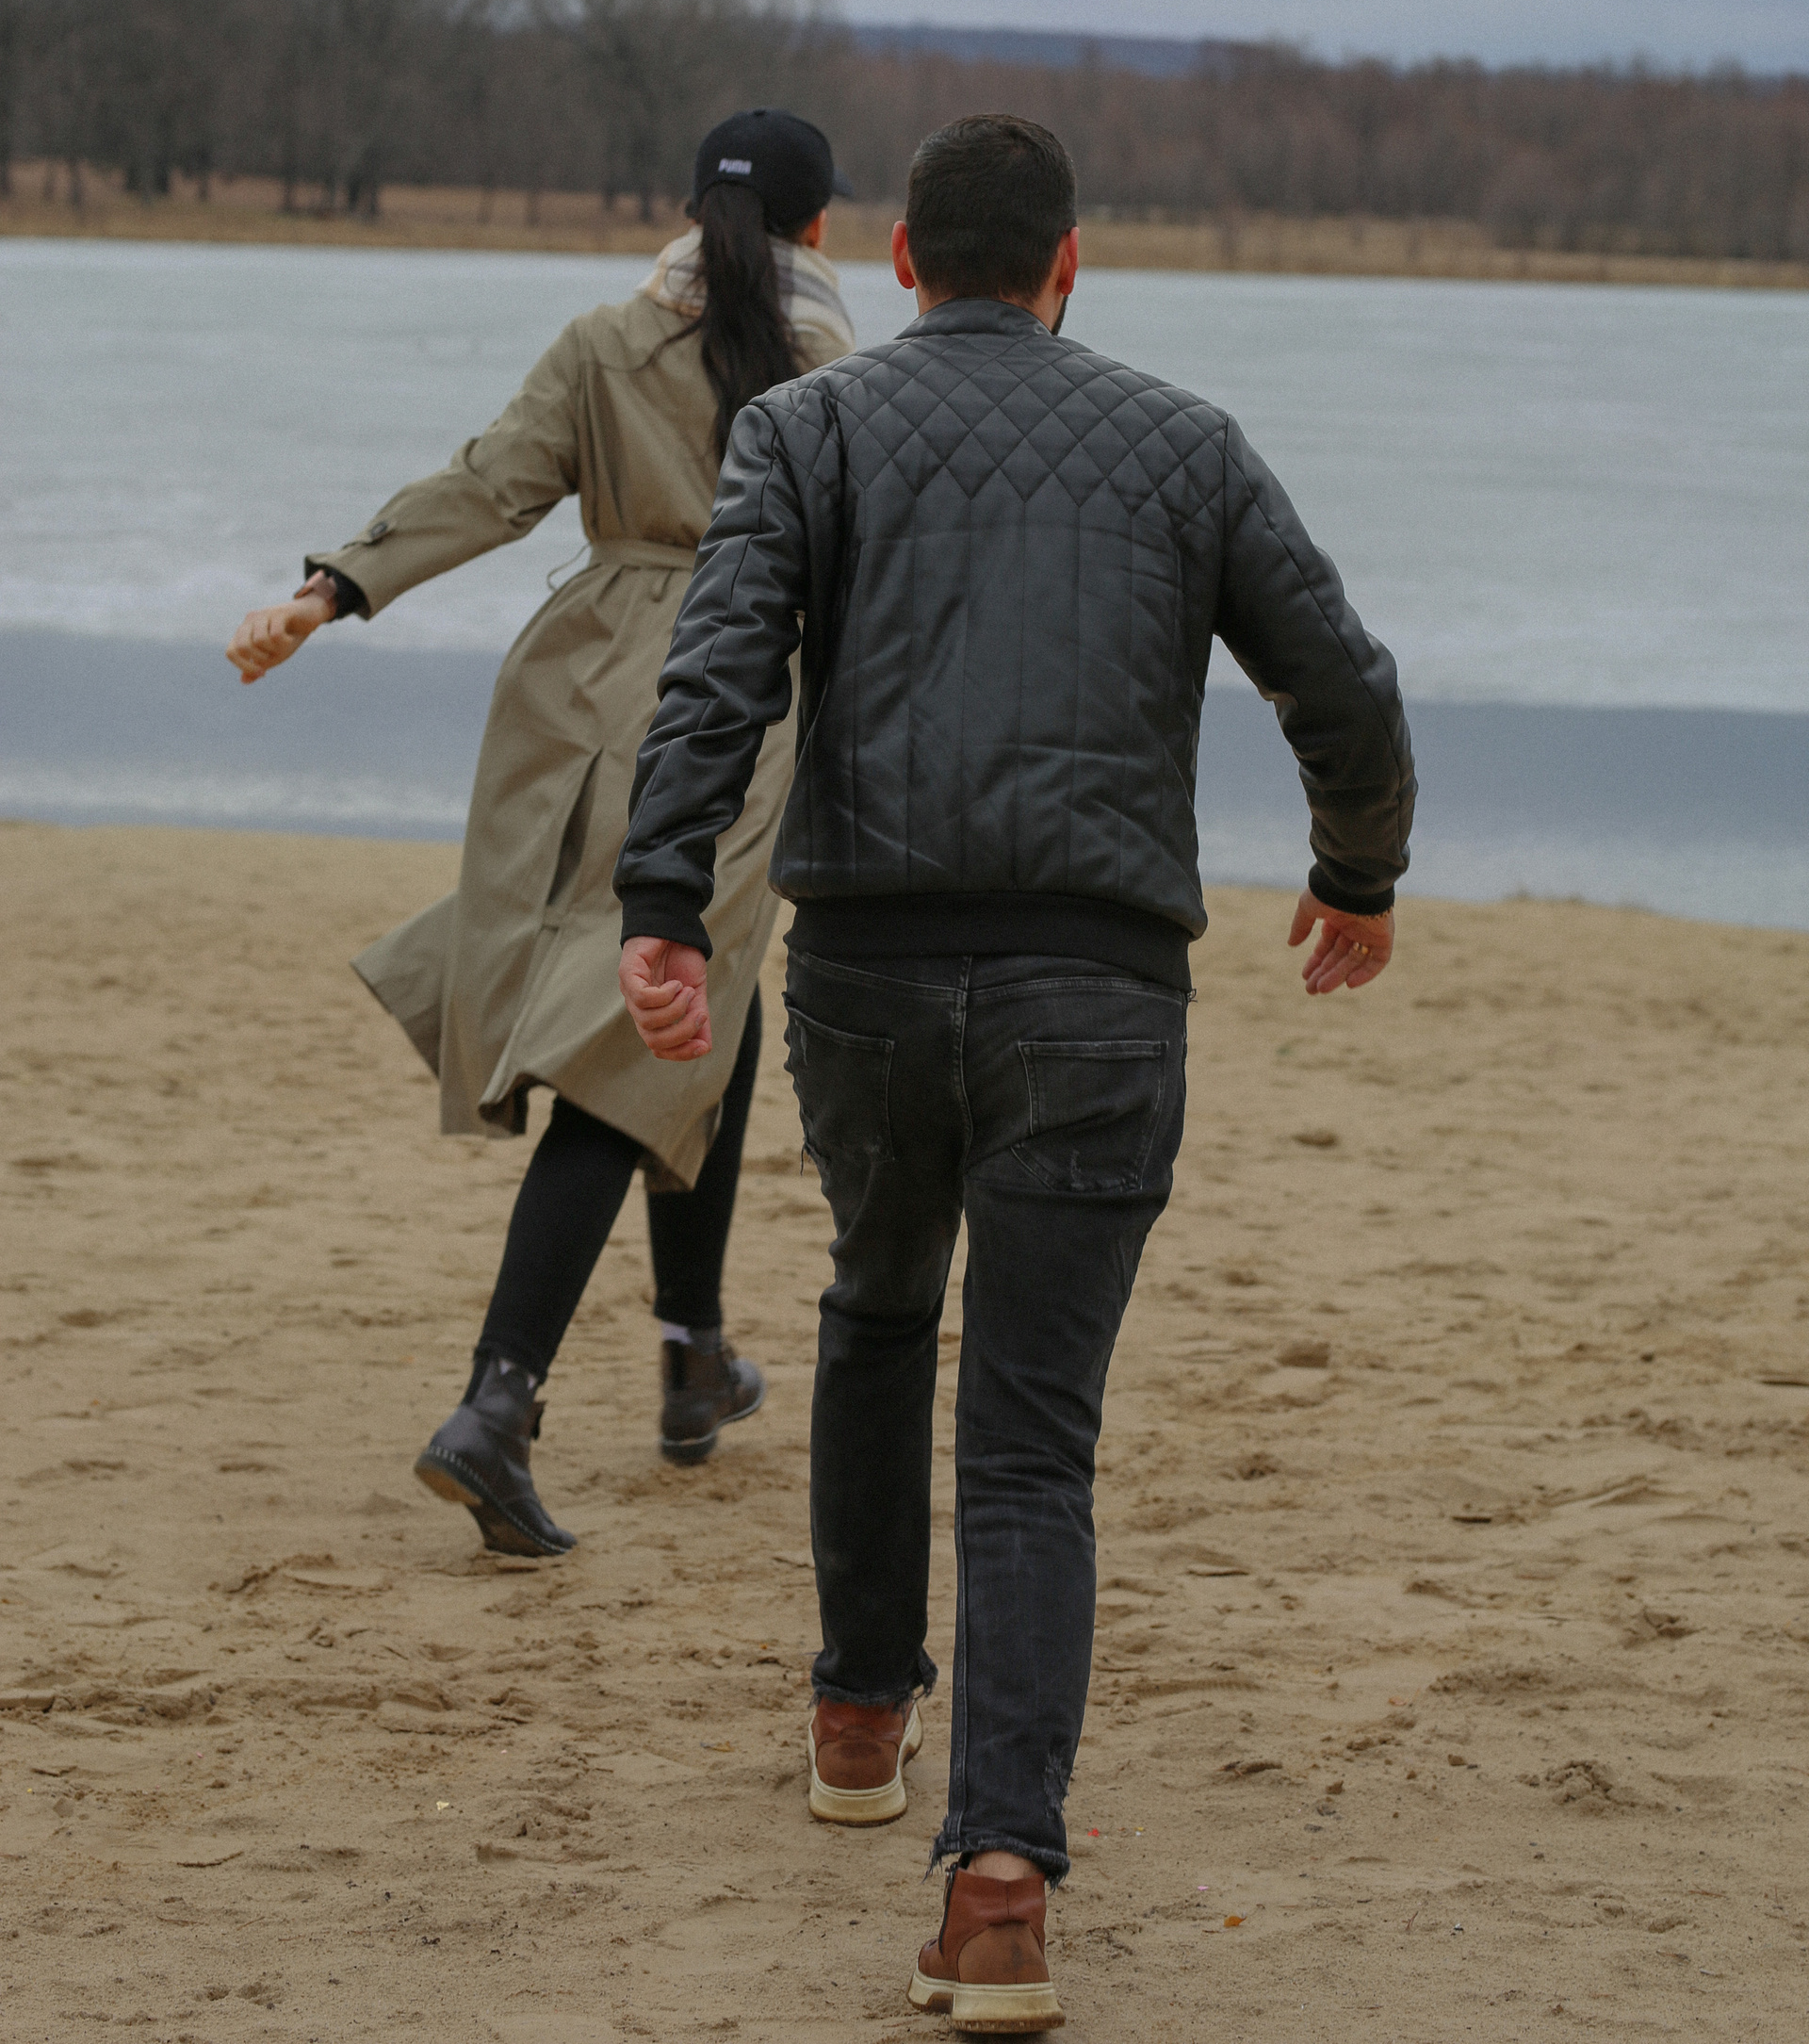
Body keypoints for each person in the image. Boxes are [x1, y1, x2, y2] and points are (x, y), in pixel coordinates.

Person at [612, 113, 1414, 2032]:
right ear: (1070, 267)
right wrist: (1355, 872)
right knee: (1035, 1435)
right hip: (1099, 989)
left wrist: (662, 898)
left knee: (879, 1309)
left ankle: (858, 1715)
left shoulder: (802, 431)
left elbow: (717, 673)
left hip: (867, 977)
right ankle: (997, 1892)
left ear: (899, 259)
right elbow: (1341, 681)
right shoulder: (1187, 443)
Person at [225, 108, 856, 1558]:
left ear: (690, 213)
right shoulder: (837, 370)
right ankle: (496, 1405)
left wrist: (330, 590)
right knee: (636, 1030)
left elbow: (489, 482)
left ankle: (693, 1353)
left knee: (706, 1002)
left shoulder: (605, 341)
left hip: (574, 686)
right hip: (733, 699)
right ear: (824, 227)